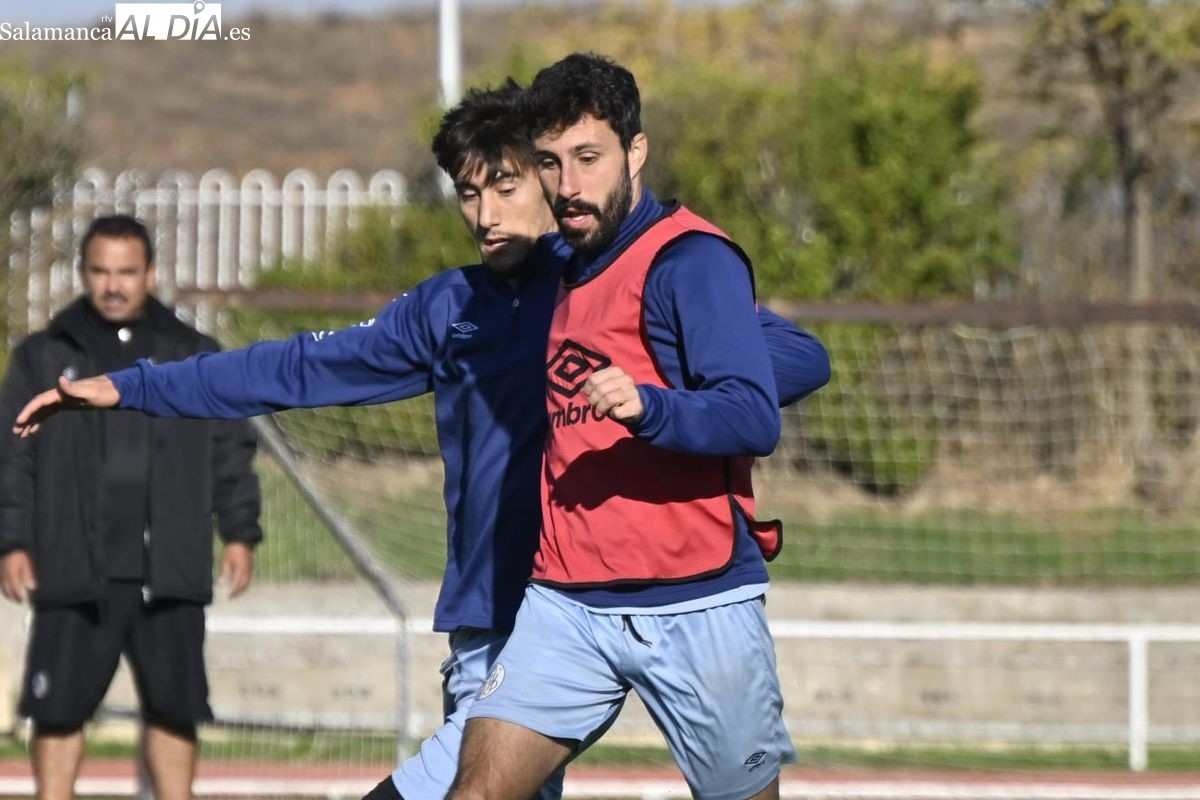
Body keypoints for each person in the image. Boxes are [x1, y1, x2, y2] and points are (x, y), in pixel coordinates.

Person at [13, 85, 829, 800]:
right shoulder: (448, 310)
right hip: (499, 618)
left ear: (550, 181)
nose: (485, 213)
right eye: (468, 193)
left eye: (506, 186)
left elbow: (792, 357)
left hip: (613, 596)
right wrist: (133, 386)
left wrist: (652, 387)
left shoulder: (615, 277)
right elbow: (296, 368)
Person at [442, 53, 799, 800]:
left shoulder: (692, 261)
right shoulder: (562, 265)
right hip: (567, 603)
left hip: (696, 603)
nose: (568, 186)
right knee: (474, 792)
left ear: (636, 152)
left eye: (588, 158)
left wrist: (651, 405)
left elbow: (752, 414)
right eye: (549, 162)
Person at [0, 214, 262, 800]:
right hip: (72, 569)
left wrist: (240, 533)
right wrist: (11, 542)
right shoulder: (43, 357)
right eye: (100, 271)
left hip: (168, 572)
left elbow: (231, 449)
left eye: (126, 271)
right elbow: (12, 459)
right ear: (83, 274)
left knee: (174, 711)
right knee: (59, 712)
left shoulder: (192, 354)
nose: (113, 284)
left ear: (151, 274)